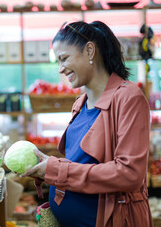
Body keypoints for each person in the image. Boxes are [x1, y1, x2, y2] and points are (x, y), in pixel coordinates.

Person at [22, 21, 152, 227]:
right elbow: (82, 164)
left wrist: (56, 171)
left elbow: (130, 174)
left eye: (64, 59)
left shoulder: (128, 97)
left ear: (90, 51)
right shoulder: (80, 103)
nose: (60, 69)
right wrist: (48, 167)